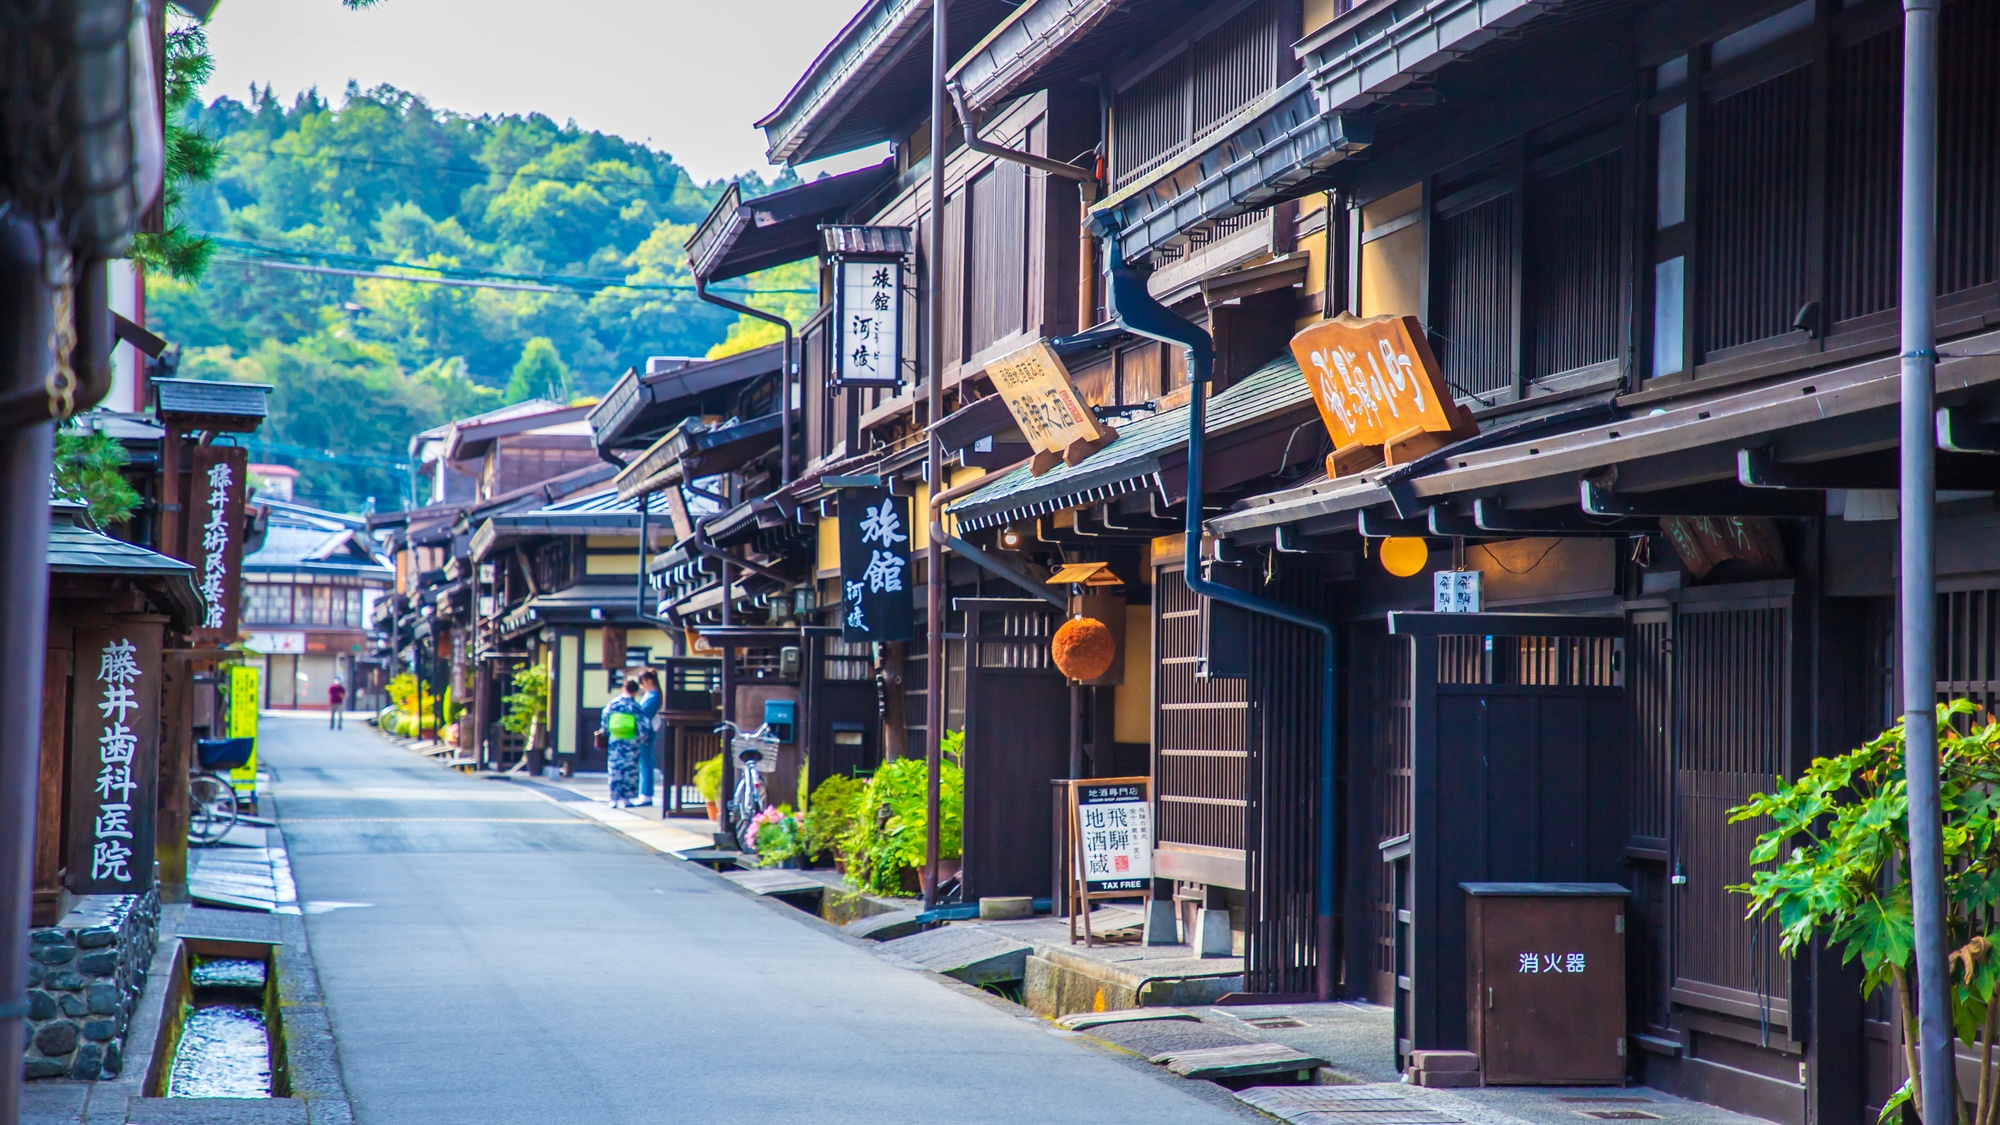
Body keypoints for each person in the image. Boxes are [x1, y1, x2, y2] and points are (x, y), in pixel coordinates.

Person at [598, 679, 644, 808]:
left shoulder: (612, 704)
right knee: (630, 770)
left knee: (615, 769)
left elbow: (604, 721)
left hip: (615, 741)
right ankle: (627, 799)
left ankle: (613, 798)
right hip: (631, 742)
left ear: (623, 688)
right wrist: (641, 738)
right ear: (635, 691)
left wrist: (606, 732)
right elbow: (643, 726)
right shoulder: (636, 707)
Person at [635, 669, 662, 808]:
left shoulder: (653, 696)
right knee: (644, 762)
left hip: (646, 731)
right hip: (646, 730)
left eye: (642, 683)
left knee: (645, 762)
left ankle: (646, 794)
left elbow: (644, 715)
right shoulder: (651, 695)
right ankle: (644, 793)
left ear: (648, 681)